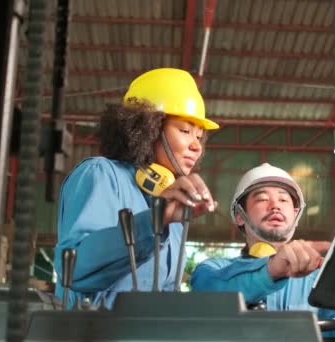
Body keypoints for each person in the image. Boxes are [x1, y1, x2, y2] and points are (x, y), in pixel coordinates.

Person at [54, 68, 219, 308]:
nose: (196, 146)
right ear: (148, 127)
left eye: (200, 136)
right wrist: (153, 221)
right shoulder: (102, 174)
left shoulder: (173, 209)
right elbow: (75, 269)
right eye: (184, 130)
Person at [190, 163, 335, 338]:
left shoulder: (323, 280)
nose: (275, 205)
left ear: (296, 215)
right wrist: (270, 270)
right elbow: (208, 295)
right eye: (262, 199)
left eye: (284, 200)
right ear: (240, 215)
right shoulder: (214, 269)